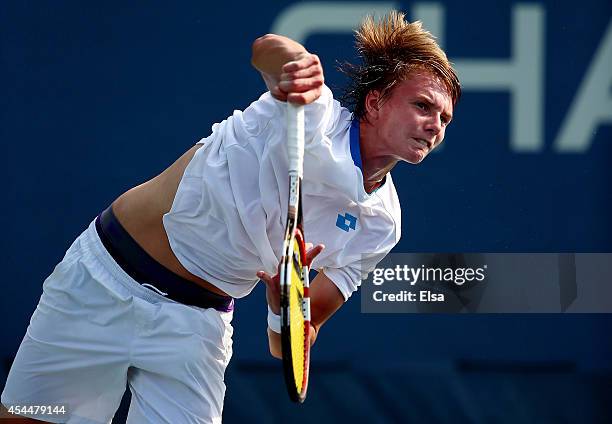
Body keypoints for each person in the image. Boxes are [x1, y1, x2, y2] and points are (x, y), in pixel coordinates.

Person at [1, 10, 460, 424]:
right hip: (103, 283)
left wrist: (284, 305)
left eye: (444, 118)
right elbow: (265, 49)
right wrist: (295, 65)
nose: (434, 125)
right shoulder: (308, 112)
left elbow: (295, 341)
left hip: (195, 330)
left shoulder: (382, 225)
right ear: (375, 102)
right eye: (422, 105)